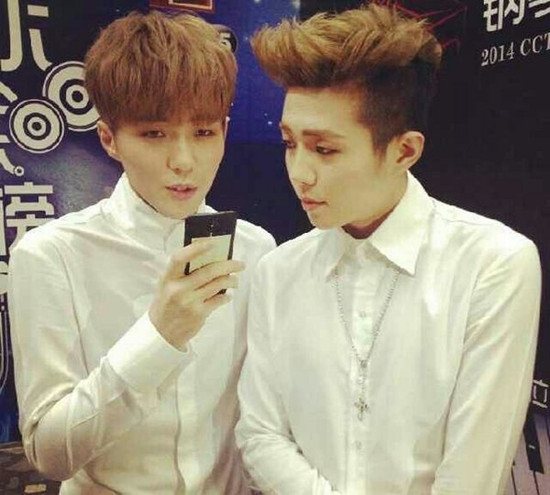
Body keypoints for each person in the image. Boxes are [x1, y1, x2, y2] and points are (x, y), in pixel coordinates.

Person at [235, 3, 542, 494]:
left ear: (404, 151)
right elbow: (260, 435)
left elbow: (471, 476)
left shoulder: (492, 264)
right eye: (290, 143)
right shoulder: (278, 270)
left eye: (324, 149)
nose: (299, 172)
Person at [8, 9, 275, 494]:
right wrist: (159, 336)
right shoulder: (51, 256)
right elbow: (50, 455)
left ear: (224, 131)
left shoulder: (255, 249)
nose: (184, 161)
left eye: (203, 132)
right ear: (109, 139)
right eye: (154, 134)